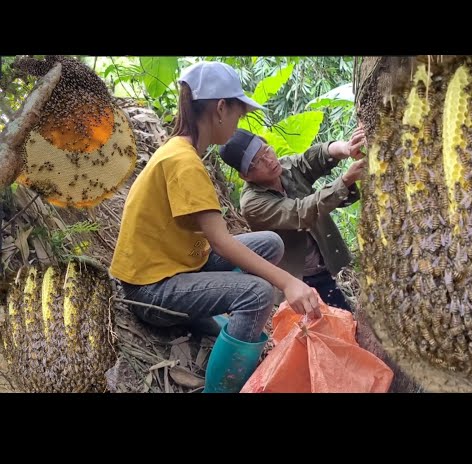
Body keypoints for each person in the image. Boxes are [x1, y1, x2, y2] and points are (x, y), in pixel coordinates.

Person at [109, 61, 320, 392]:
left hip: (179, 264)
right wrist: (289, 282)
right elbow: (221, 242)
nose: (238, 123)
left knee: (270, 243)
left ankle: (210, 312)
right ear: (220, 109)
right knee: (259, 292)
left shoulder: (181, 150)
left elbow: (212, 240)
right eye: (238, 113)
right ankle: (221, 387)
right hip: (151, 289)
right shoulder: (184, 162)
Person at [218, 126, 367, 312]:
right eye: (257, 162)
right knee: (320, 333)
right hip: (299, 280)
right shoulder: (253, 203)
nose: (269, 160)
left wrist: (345, 148)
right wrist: (344, 182)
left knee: (346, 322)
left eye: (266, 150)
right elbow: (301, 212)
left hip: (325, 265)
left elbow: (315, 157)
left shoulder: (285, 167)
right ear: (245, 175)